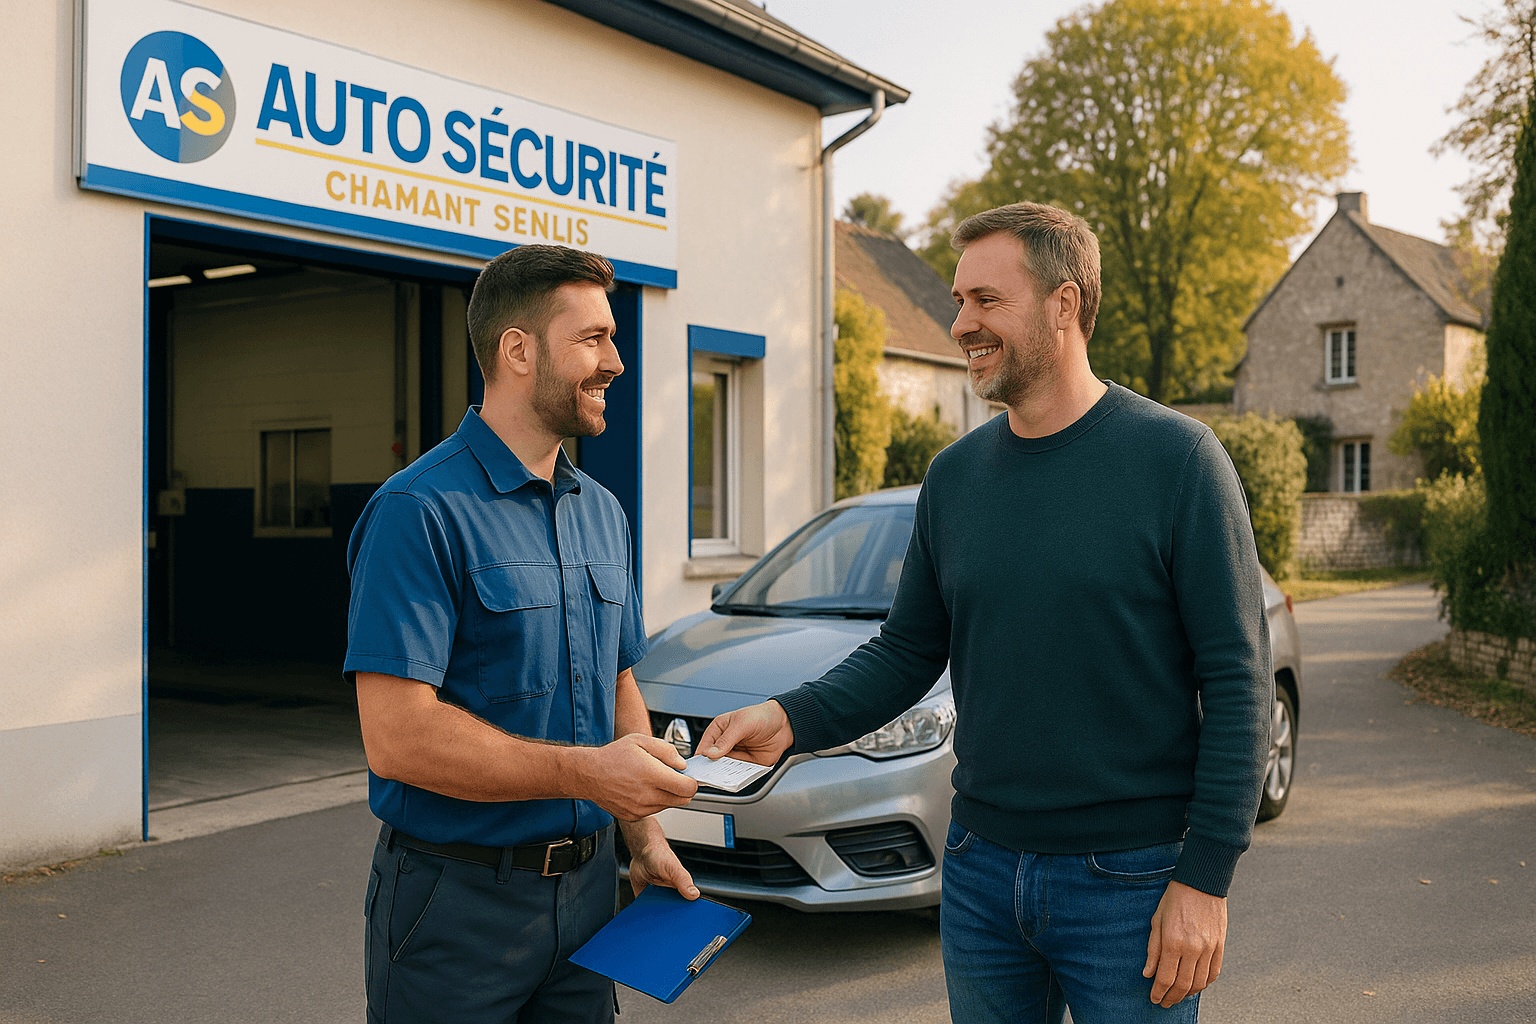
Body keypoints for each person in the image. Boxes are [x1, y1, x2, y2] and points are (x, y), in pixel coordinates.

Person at [700, 202, 1271, 1022]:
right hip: (978, 874)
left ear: (1064, 305)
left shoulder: (1178, 461)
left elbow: (1238, 684)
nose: (960, 322)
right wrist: (788, 719)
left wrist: (1206, 877)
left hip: (1134, 884)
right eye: (959, 300)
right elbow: (906, 652)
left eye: (985, 300)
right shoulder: (955, 478)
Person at [345, 244, 699, 1024]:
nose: (615, 361)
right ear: (517, 350)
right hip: (454, 908)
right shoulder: (418, 512)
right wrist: (588, 776)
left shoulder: (603, 511)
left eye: (614, 338)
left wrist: (643, 839)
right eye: (593, 339)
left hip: (586, 898)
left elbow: (617, 684)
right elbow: (398, 739)